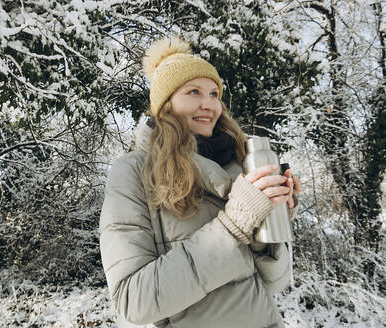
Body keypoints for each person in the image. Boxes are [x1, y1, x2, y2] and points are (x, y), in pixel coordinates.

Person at [99, 36, 302, 328]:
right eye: (193, 92)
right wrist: (233, 226)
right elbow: (134, 302)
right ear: (165, 105)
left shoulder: (238, 163)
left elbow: (276, 282)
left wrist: (270, 219)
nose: (209, 105)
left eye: (214, 94)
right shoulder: (132, 172)